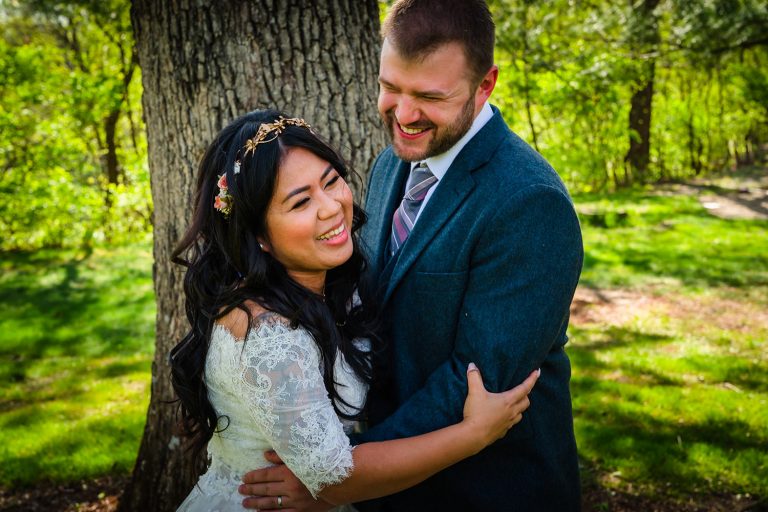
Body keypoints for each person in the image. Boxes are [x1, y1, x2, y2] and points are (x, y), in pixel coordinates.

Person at [240, 0, 584, 510]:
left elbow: (476, 384)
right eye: (391, 87)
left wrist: (342, 472)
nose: (402, 115)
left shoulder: (529, 203)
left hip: (487, 490)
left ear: (484, 85)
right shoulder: (389, 165)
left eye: (428, 96)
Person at [169, 109, 539, 512]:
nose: (331, 207)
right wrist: (473, 435)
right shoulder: (268, 334)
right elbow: (335, 478)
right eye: (300, 202)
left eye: (331, 182)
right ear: (259, 235)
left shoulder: (335, 288)